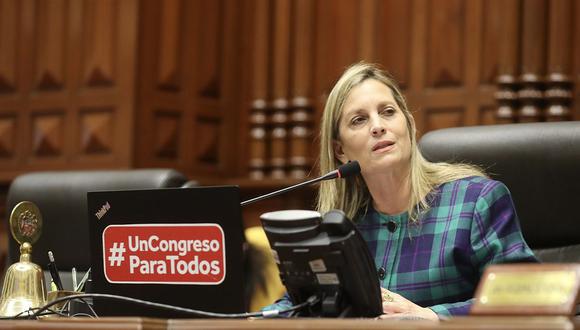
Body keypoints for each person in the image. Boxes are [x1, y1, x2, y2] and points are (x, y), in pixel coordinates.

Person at [264, 62, 538, 319]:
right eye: (359, 120)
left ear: (408, 124)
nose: (378, 126)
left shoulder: (475, 201)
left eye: (388, 112)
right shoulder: (341, 231)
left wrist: (433, 317)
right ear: (340, 151)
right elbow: (296, 304)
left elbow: (530, 295)